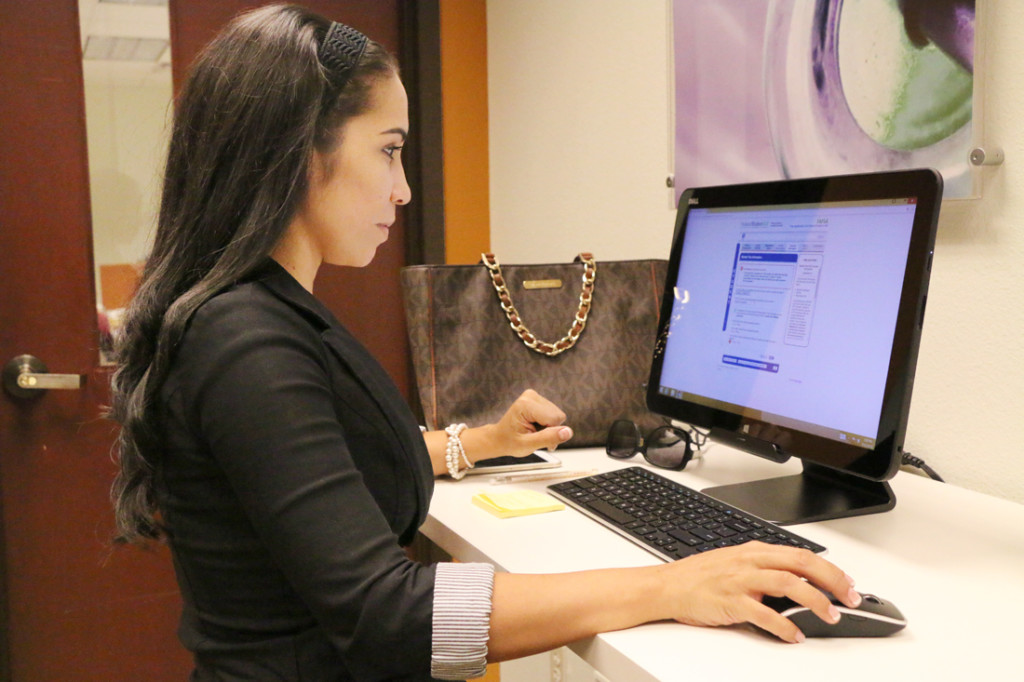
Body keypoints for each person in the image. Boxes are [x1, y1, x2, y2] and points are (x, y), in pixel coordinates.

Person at [110, 4, 862, 680]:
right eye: (388, 150)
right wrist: (672, 585)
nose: (402, 189)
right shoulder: (247, 342)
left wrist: (479, 443)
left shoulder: (264, 313)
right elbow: (391, 617)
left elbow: (323, 462)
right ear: (301, 153)